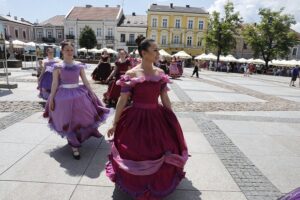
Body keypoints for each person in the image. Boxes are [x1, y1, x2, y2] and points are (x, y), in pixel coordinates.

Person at [105, 35, 188, 200]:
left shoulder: (160, 72)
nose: (158, 53)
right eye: (154, 50)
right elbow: (122, 100)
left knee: (161, 149)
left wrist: (171, 118)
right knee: (136, 150)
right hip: (136, 118)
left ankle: (156, 184)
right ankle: (137, 184)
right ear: (144, 53)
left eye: (157, 50)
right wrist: (114, 123)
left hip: (157, 116)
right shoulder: (132, 73)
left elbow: (164, 98)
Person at [43, 41, 110, 160]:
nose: (69, 52)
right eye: (66, 50)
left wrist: (91, 92)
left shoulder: (78, 65)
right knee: (67, 121)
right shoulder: (57, 66)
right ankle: (74, 145)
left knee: (83, 116)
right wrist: (52, 98)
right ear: (62, 51)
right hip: (63, 96)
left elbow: (85, 80)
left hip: (78, 93)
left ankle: (90, 131)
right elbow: (54, 83)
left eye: (71, 50)